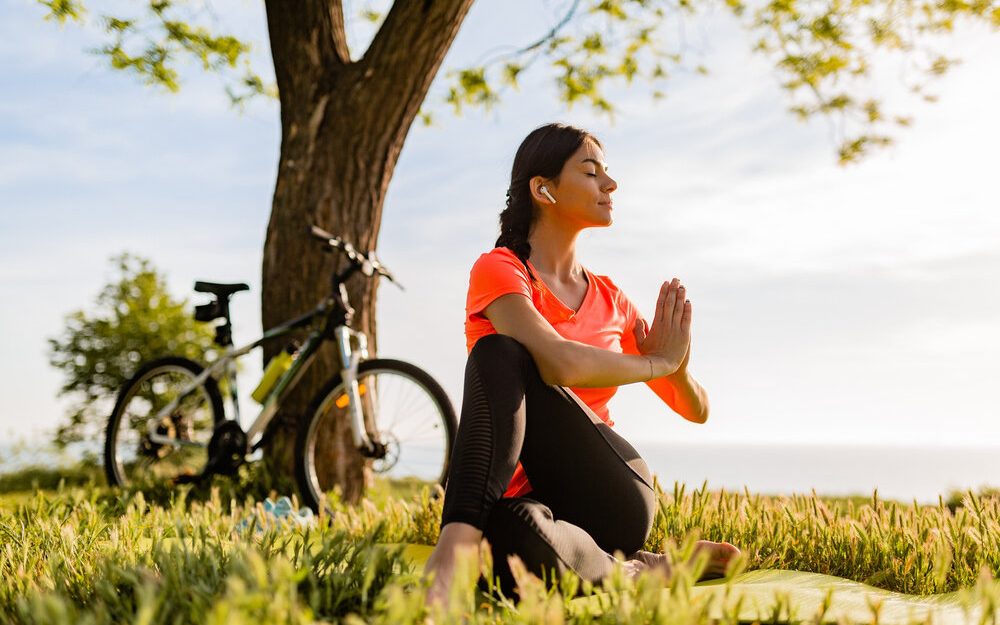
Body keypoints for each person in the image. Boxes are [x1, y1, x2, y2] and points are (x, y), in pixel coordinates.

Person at [422, 122, 740, 606]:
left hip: (609, 495)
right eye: (592, 173)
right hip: (527, 505)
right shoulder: (502, 270)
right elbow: (559, 362)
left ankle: (450, 557)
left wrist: (672, 367)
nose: (610, 185)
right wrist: (656, 361)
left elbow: (697, 410)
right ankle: (636, 571)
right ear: (542, 189)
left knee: (499, 351)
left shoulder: (612, 300)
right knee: (512, 536)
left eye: (606, 174)